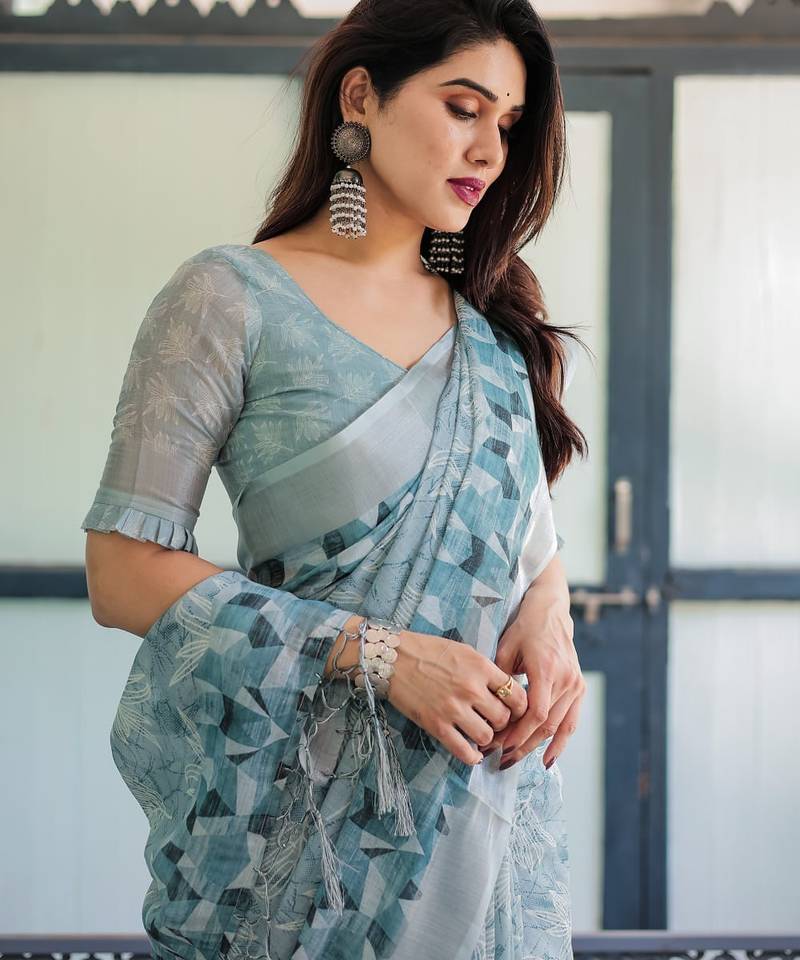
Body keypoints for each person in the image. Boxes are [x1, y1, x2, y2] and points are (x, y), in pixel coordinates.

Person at [81, 1, 589, 957]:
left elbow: (524, 535)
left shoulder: (491, 328)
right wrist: (383, 655)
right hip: (298, 835)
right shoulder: (230, 297)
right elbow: (122, 573)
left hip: (482, 823)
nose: (489, 150)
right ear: (361, 96)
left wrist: (551, 610)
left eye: (509, 125)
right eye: (463, 107)